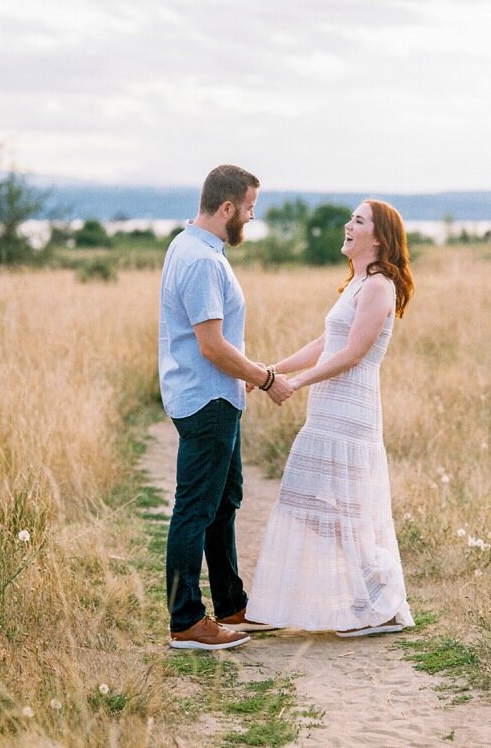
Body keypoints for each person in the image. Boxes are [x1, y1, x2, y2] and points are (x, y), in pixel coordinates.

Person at [244, 199, 416, 637]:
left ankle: (379, 606)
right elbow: (324, 344)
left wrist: (295, 385)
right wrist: (270, 372)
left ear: (378, 238)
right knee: (316, 502)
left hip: (351, 411)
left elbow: (353, 354)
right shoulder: (358, 283)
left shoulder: (380, 285)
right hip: (329, 409)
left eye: (358, 221)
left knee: (346, 505)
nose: (347, 225)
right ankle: (338, 600)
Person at [161, 164, 294, 651]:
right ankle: (187, 621)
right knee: (195, 508)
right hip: (207, 398)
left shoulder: (192, 247)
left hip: (216, 396)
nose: (252, 218)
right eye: (250, 208)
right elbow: (212, 347)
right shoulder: (201, 261)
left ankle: (232, 605)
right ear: (227, 208)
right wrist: (266, 378)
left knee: (223, 503)